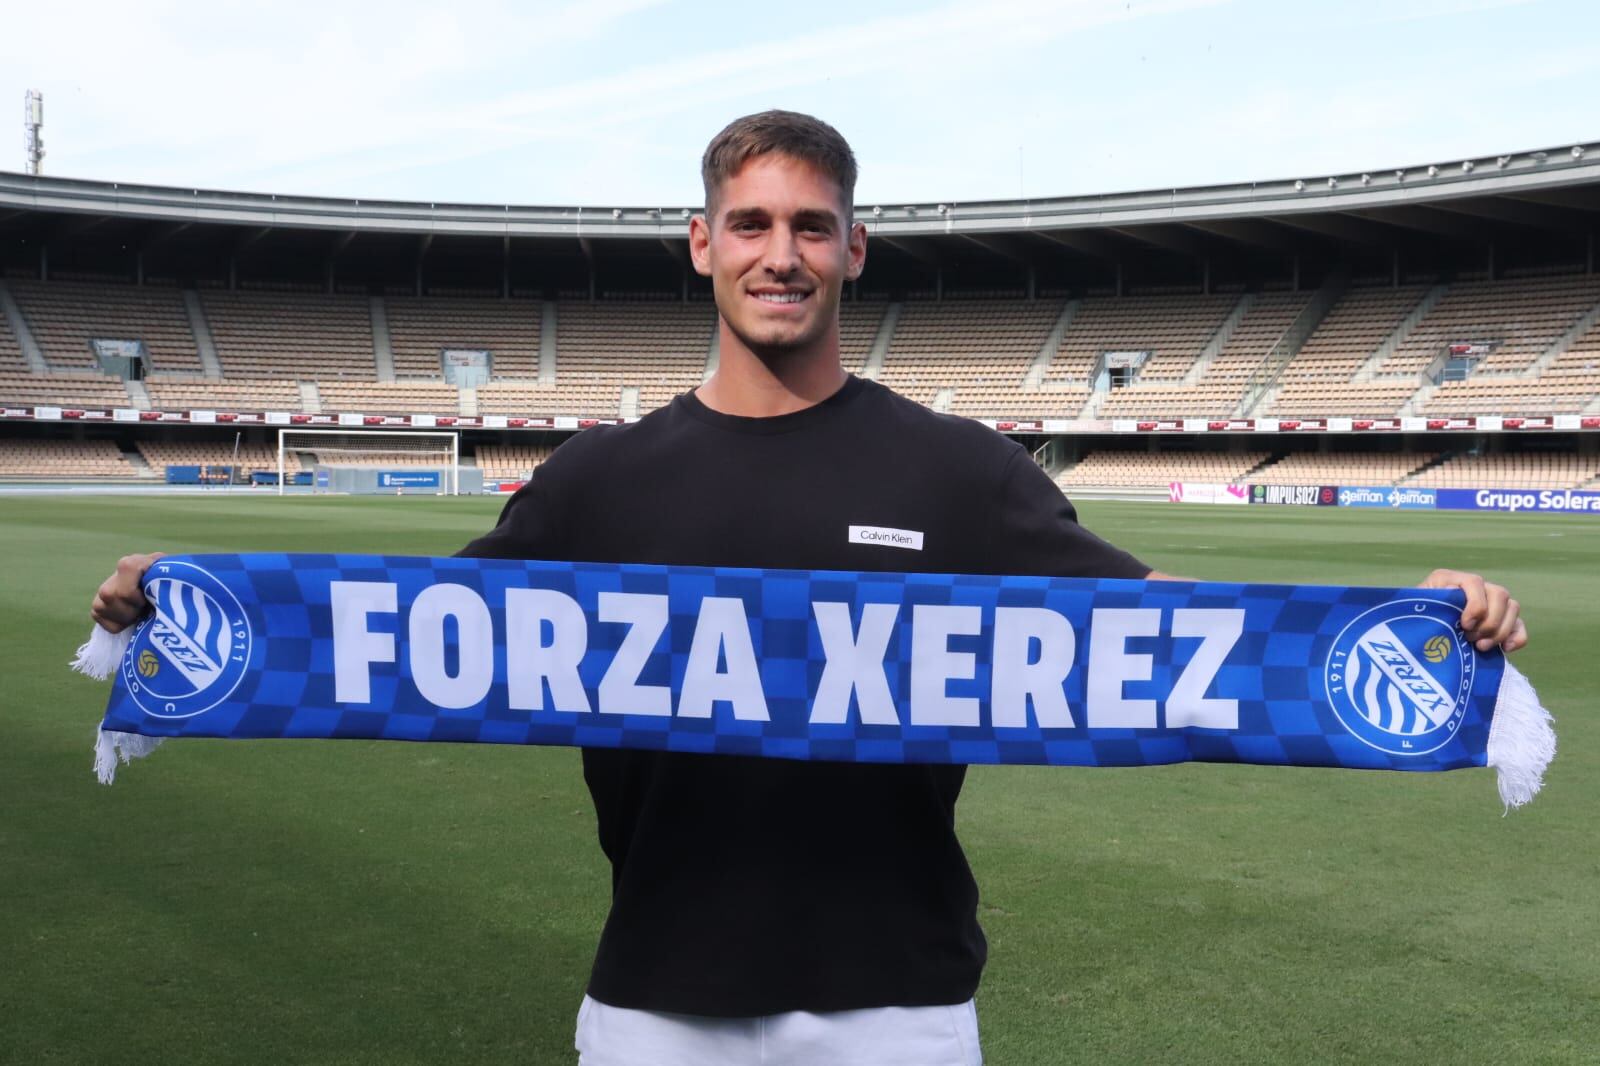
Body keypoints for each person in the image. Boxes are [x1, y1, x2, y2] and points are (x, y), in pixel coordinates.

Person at [91, 111, 1528, 1066]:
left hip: (902, 997)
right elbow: (392, 639)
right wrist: (186, 609)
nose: (784, 251)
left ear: (853, 248)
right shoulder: (597, 479)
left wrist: (1408, 619)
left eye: (813, 224)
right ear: (703, 244)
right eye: (754, 221)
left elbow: (1176, 633)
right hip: (657, 992)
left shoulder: (961, 468)